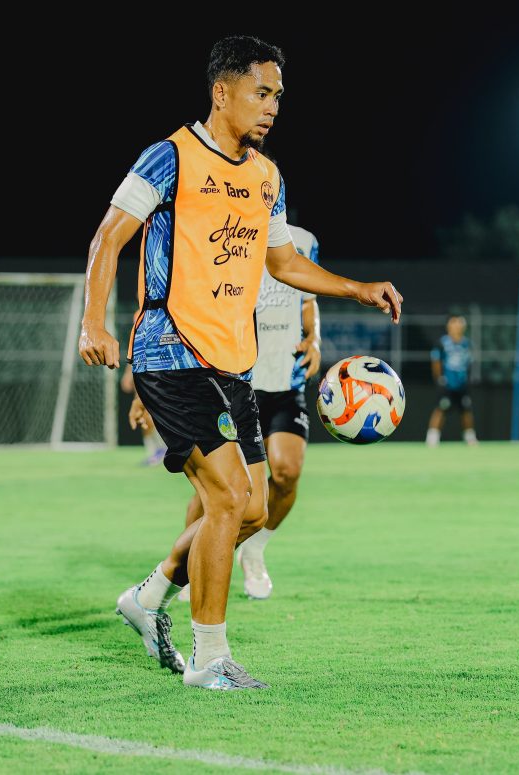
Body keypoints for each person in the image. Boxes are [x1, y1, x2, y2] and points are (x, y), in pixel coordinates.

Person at [78, 34, 403, 691]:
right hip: (172, 351)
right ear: (222, 91)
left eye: (279, 95)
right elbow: (109, 235)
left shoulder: (265, 177)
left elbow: (283, 261)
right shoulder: (169, 158)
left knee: (251, 508)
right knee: (227, 496)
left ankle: (147, 597)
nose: (273, 105)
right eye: (262, 92)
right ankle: (209, 658)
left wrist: (356, 288)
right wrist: (93, 320)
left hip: (236, 363)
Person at [176, 222, 321, 602]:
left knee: (287, 474)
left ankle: (254, 550)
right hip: (238, 382)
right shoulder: (228, 237)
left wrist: (314, 338)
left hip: (286, 380)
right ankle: (190, 569)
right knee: (219, 484)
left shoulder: (303, 242)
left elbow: (309, 301)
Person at [426, 315, 478, 446]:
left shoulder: (467, 344)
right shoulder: (442, 343)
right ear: (449, 326)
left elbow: (469, 362)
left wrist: (468, 378)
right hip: (447, 383)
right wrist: (439, 379)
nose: (456, 326)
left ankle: (470, 437)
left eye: (459, 324)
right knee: (441, 408)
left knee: (466, 410)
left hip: (462, 383)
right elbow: (436, 361)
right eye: (454, 323)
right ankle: (432, 437)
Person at [121, 362, 167, 466]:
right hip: (144, 365)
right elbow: (135, 346)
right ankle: (156, 451)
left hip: (162, 365)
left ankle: (163, 450)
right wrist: (128, 372)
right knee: (143, 413)